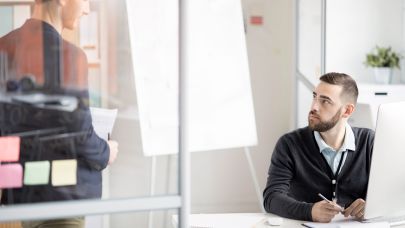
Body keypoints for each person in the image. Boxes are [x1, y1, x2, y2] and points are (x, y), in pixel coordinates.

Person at [0, 0, 118, 227]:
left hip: (21, 199)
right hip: (62, 200)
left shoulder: (3, 47)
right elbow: (79, 133)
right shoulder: (70, 56)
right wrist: (105, 151)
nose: (87, 9)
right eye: (85, 0)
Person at [263, 72, 374, 223]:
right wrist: (309, 211)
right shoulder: (289, 144)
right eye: (315, 96)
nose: (314, 106)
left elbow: (393, 191)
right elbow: (271, 198)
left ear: (347, 111)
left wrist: (370, 206)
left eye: (325, 101)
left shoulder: (369, 142)